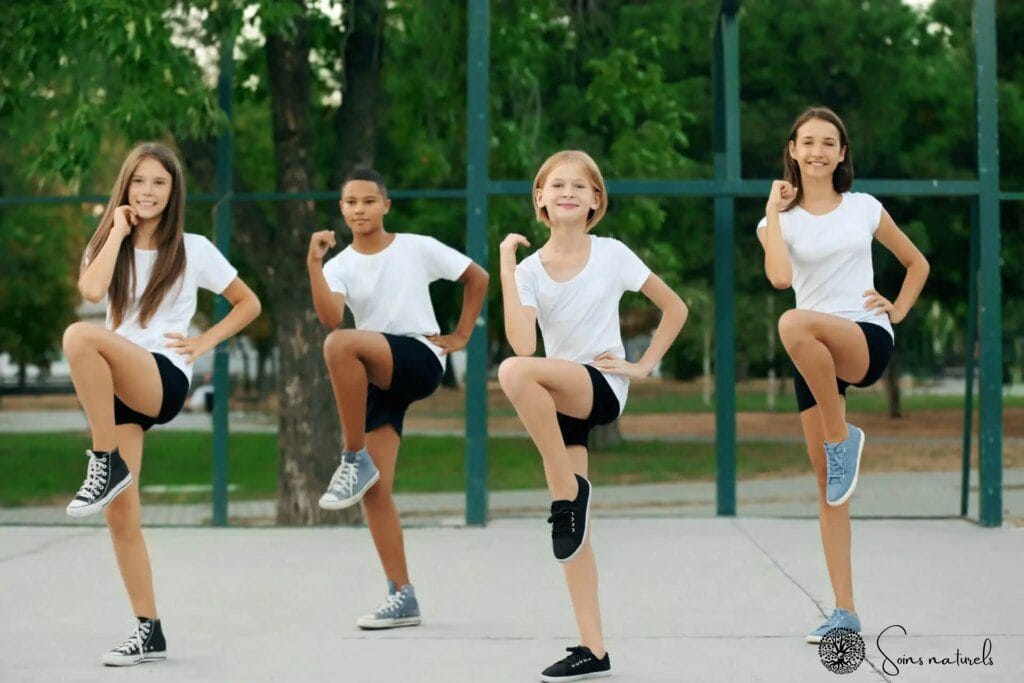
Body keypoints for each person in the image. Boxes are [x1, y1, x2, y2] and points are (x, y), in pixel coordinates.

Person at [64, 142, 261, 665]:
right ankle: (148, 630)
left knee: (79, 338)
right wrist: (117, 231)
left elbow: (249, 303)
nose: (148, 192)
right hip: (118, 385)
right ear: (125, 187)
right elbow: (90, 289)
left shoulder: (193, 247)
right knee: (121, 516)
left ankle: (103, 464)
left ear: (173, 192)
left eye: (159, 183)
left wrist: (202, 344)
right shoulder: (110, 240)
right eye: (139, 182)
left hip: (163, 377)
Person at [498, 150, 687, 681]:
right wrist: (508, 266)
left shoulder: (613, 254)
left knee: (514, 373)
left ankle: (566, 493)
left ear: (595, 202)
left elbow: (676, 308)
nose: (568, 192)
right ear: (539, 198)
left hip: (600, 385)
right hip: (557, 398)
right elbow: (520, 338)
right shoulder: (530, 270)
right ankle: (593, 648)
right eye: (556, 184)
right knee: (573, 536)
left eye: (580, 187)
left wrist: (644, 365)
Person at [756, 107, 929, 643]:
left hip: (862, 338)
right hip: (814, 357)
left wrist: (895, 310)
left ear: (842, 153)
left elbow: (916, 262)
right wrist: (772, 210)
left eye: (828, 143)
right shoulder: (775, 223)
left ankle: (842, 440)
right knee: (830, 491)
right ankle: (845, 613)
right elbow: (782, 277)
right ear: (792, 150)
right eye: (807, 142)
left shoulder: (864, 209)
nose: (817, 151)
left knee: (792, 322)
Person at [307, 167, 488, 629]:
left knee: (340, 345)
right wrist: (313, 264)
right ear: (342, 210)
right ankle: (402, 595)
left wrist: (462, 334)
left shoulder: (415, 247)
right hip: (376, 372)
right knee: (376, 492)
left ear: (386, 205)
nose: (360, 210)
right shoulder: (340, 265)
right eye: (351, 203)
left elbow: (477, 277)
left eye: (369, 201)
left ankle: (352, 458)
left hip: (419, 356)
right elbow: (330, 315)